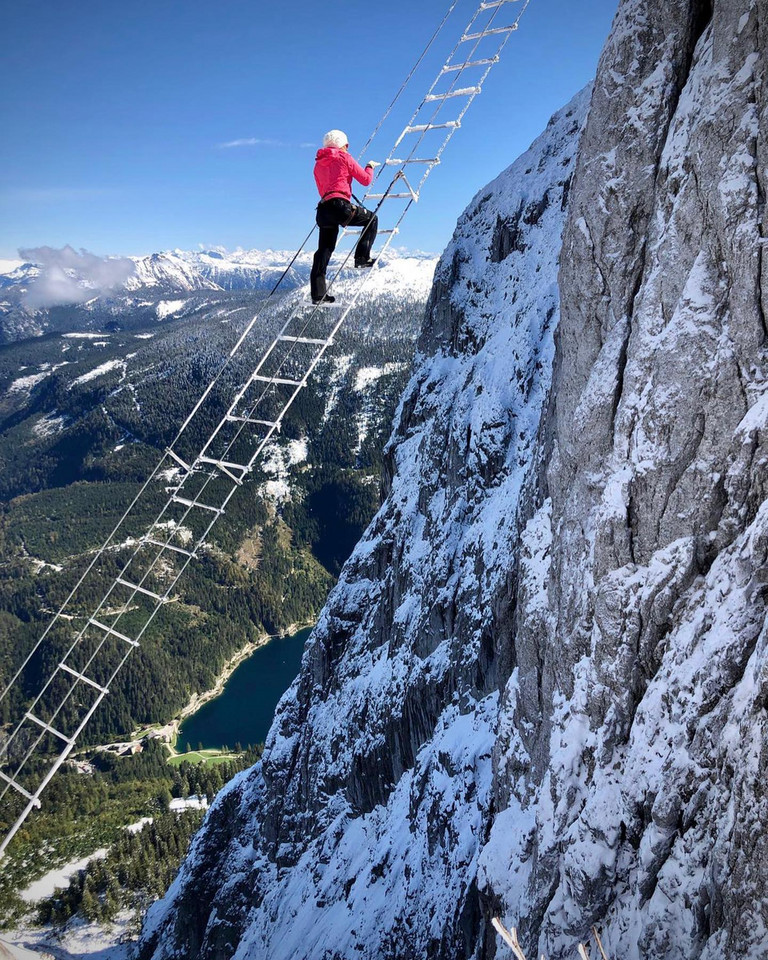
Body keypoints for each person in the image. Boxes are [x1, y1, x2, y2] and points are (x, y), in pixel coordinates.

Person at [310, 129, 380, 305]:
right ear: (345, 146)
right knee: (371, 219)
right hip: (340, 206)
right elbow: (365, 180)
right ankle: (362, 258)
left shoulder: (318, 164)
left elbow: (322, 187)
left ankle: (318, 294)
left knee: (324, 251)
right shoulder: (345, 157)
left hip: (323, 209)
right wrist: (369, 167)